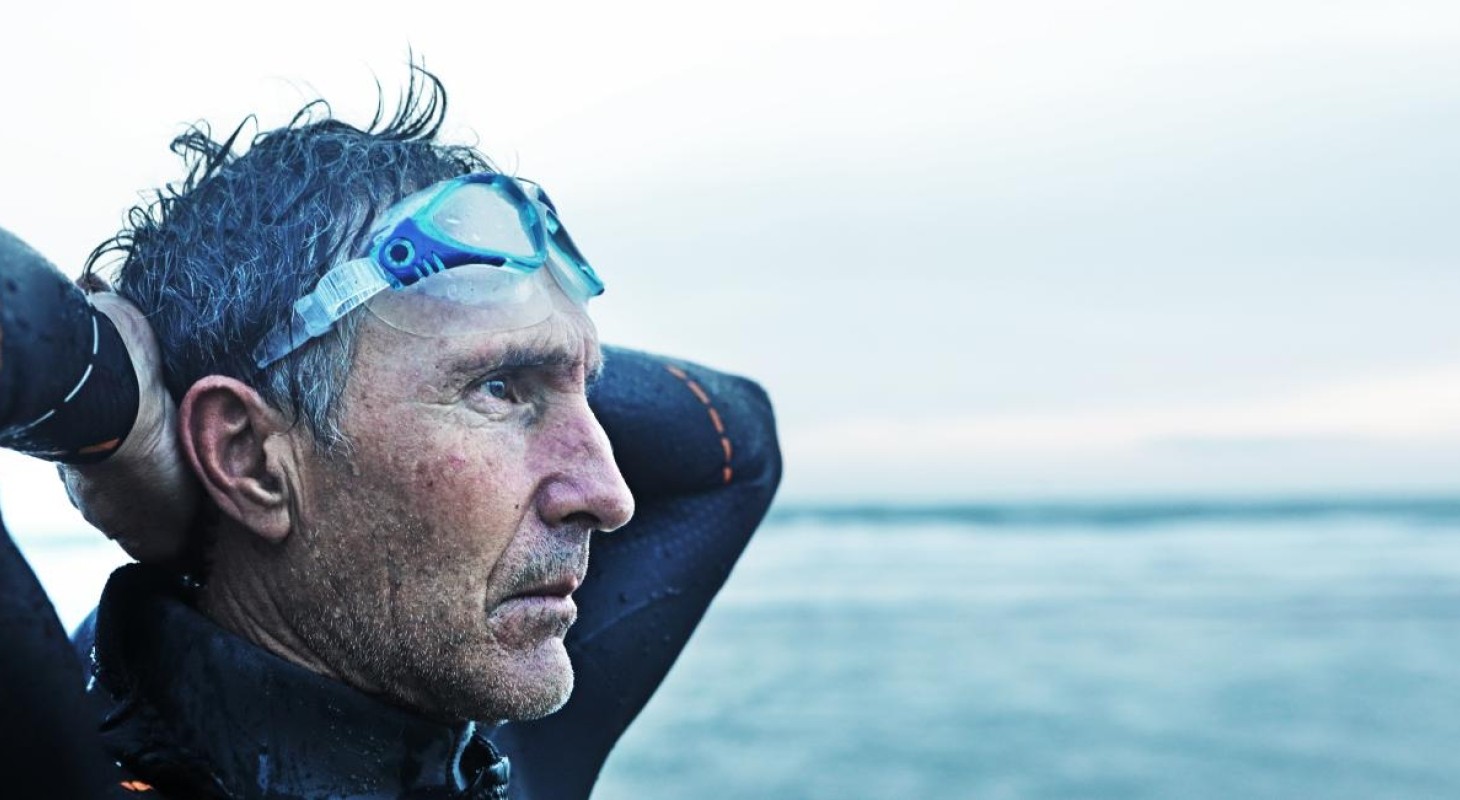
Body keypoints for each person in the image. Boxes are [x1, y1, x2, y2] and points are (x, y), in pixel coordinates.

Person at [0, 68, 781, 799]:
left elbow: (735, 444)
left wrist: (143, 434)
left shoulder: (483, 747)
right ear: (248, 456)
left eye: (583, 386)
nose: (609, 497)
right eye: (500, 389)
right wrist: (101, 410)